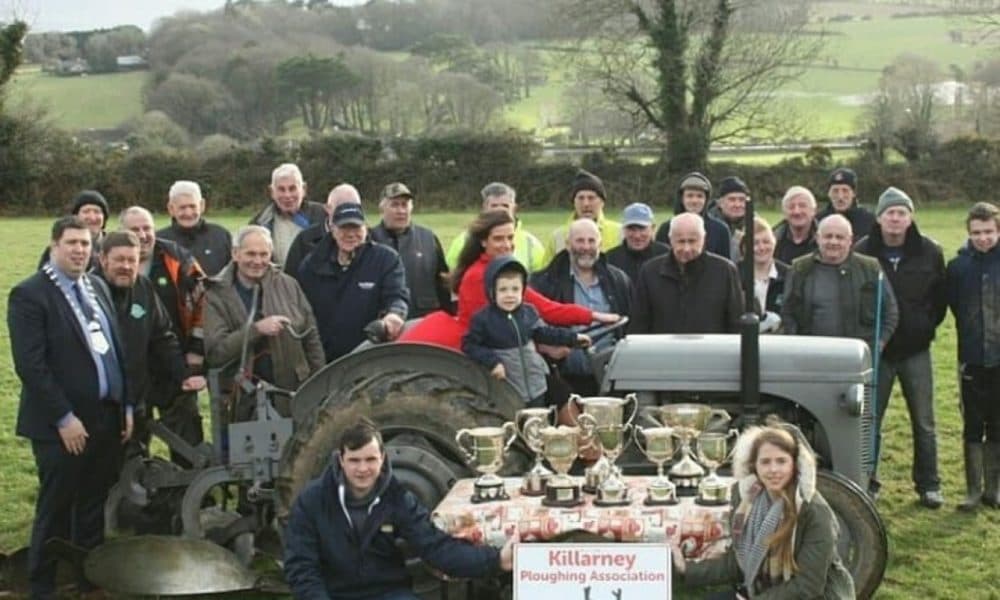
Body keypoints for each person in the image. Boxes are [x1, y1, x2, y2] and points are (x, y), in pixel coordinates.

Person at [9, 216, 133, 598]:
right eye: (72, 243)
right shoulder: (30, 295)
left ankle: (87, 579)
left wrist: (125, 403)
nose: (80, 250)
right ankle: (42, 586)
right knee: (57, 507)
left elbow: (114, 349)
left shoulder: (95, 285)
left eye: (86, 243)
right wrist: (64, 418)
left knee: (93, 505)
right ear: (54, 245)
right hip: (61, 426)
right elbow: (32, 366)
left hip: (105, 418)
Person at [284, 418, 514, 599]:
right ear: (341, 460)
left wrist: (496, 560)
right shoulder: (312, 501)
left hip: (388, 593)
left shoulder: (398, 498)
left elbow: (436, 548)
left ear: (383, 458)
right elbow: (302, 568)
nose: (363, 469)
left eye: (370, 459)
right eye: (354, 460)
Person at [673, 424, 855, 599]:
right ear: (755, 466)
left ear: (795, 465)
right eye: (765, 462)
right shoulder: (748, 502)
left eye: (781, 461)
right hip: (766, 591)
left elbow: (808, 585)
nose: (773, 469)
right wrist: (686, 568)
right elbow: (741, 561)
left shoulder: (814, 512)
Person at [400, 210, 619, 351]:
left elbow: (544, 307)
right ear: (483, 242)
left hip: (500, 340)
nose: (507, 245)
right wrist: (550, 344)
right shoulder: (481, 276)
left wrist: (594, 316)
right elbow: (501, 326)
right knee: (556, 389)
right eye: (498, 238)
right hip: (484, 348)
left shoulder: (501, 271)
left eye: (510, 237)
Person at [854, 187, 947, 509]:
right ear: (879, 217)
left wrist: (922, 329)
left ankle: (929, 484)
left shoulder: (930, 251)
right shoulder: (863, 251)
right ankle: (868, 480)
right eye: (889, 212)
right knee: (870, 420)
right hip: (877, 351)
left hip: (916, 351)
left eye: (901, 213)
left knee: (924, 421)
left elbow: (940, 301)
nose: (895, 218)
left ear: (910, 218)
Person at [96, 231, 206, 452]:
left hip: (140, 384)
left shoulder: (143, 288)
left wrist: (183, 374)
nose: (126, 266)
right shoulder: (91, 292)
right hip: (107, 395)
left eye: (132, 260)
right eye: (119, 259)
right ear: (103, 259)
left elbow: (163, 336)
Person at [204, 226, 325, 419]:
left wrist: (319, 383)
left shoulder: (288, 285)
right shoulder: (216, 295)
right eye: (250, 254)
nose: (258, 261)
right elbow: (216, 353)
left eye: (264, 254)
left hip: (291, 394)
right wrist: (257, 329)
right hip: (241, 400)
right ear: (235, 254)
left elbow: (311, 337)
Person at [120, 206, 207, 466]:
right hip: (130, 370)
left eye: (147, 227)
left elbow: (203, 303)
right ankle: (132, 497)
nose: (143, 234)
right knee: (131, 438)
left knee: (185, 436)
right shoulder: (111, 260)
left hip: (175, 364)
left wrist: (195, 351)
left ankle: (192, 495)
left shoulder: (177, 257)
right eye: (135, 230)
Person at [464, 256, 590, 406]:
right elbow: (470, 346)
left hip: (535, 383)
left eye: (515, 289)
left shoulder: (529, 312)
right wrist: (493, 362)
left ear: (523, 290)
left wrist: (572, 338)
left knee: (538, 418)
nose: (510, 295)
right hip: (506, 386)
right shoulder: (483, 319)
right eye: (503, 290)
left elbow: (544, 332)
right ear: (492, 292)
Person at [294, 202, 409, 362]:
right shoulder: (312, 263)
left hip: (370, 355)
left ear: (366, 228)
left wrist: (395, 315)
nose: (350, 234)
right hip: (323, 358)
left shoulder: (386, 259)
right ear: (332, 229)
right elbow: (299, 307)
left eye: (356, 228)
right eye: (344, 228)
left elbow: (397, 296)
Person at [531, 218, 632, 396]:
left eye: (591, 241)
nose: (586, 247)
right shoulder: (545, 282)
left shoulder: (619, 280)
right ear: (568, 244)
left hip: (611, 380)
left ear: (600, 244)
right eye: (580, 241)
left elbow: (630, 325)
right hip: (565, 378)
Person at [946, 202, 1000, 510]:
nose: (983, 238)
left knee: (997, 422)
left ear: (998, 231)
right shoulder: (958, 267)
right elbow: (953, 305)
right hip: (970, 357)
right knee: (972, 423)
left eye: (989, 232)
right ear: (969, 233)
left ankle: (994, 489)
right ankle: (972, 490)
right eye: (977, 233)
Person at [782, 214, 898, 354]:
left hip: (856, 356)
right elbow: (787, 311)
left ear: (850, 240)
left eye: (840, 237)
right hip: (810, 355)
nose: (833, 241)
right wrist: (796, 343)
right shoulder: (800, 268)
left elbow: (891, 312)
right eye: (828, 236)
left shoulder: (870, 268)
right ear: (818, 238)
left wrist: (879, 343)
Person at [631, 212, 743, 334]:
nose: (686, 248)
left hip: (711, 350)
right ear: (670, 240)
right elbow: (639, 323)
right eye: (680, 241)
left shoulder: (725, 271)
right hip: (663, 350)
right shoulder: (650, 272)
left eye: (692, 241)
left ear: (704, 239)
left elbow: (735, 323)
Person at [369, 182, 452, 318]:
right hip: (385, 322)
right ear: (382, 208)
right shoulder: (370, 239)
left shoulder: (428, 238)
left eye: (405, 204)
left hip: (424, 321)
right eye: (395, 205)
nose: (401, 211)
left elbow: (443, 284)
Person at [446, 182, 548, 273]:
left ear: (514, 208)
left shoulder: (531, 243)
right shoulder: (463, 241)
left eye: (505, 206)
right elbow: (453, 276)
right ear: (484, 208)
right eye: (494, 206)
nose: (500, 210)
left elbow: (540, 281)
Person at [250, 162, 328, 268]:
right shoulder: (260, 223)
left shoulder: (323, 216)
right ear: (272, 192)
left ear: (303, 189)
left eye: (292, 188)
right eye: (281, 189)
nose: (287, 195)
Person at [284, 183, 362, 279]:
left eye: (354, 207)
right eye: (340, 207)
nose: (347, 212)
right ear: (327, 208)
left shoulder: (371, 241)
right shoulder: (305, 240)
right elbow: (291, 282)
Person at [157, 180, 233, 276]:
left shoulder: (221, 236)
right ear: (171, 209)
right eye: (182, 208)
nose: (188, 213)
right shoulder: (159, 242)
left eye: (193, 206)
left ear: (202, 206)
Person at [655, 172, 731, 258]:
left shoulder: (720, 230)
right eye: (689, 196)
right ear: (681, 199)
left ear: (706, 200)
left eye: (700, 196)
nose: (695, 201)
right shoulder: (666, 228)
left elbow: (725, 265)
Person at [546, 169, 621, 257]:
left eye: (591, 198)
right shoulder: (558, 237)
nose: (586, 204)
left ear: (602, 202)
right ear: (574, 202)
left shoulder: (620, 233)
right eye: (581, 198)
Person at [37, 189, 110, 271]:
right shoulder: (59, 247)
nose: (92, 217)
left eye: (97, 212)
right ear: (75, 216)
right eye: (86, 211)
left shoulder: (113, 246)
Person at [742, 216, 788, 333]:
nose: (761, 248)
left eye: (766, 242)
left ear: (774, 242)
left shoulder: (789, 274)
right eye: (755, 243)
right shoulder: (733, 274)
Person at [605, 202, 670, 283]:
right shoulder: (611, 259)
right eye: (631, 229)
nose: (637, 236)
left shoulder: (666, 254)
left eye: (642, 228)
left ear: (653, 228)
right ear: (624, 230)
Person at [817, 167, 876, 242]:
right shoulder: (818, 221)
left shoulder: (868, 221)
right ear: (829, 193)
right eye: (835, 191)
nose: (840, 197)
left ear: (854, 193)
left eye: (845, 191)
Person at [773, 185, 818, 266]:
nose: (796, 212)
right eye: (791, 207)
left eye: (802, 206)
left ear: (813, 211)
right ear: (784, 213)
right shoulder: (772, 240)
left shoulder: (824, 240)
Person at [708, 175, 750, 260]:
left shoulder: (755, 224)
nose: (737, 205)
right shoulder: (709, 225)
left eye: (742, 200)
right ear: (720, 203)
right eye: (732, 199)